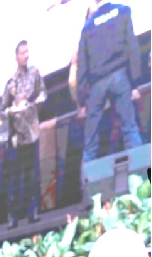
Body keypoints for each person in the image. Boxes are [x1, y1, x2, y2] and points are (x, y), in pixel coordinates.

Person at [74, 0, 144, 162]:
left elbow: (82, 65)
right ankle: (141, 177)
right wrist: (135, 84)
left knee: (90, 143)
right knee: (130, 130)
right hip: (120, 77)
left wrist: (82, 100)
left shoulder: (88, 26)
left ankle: (88, 184)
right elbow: (132, 48)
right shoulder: (123, 11)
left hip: (97, 84)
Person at [0, 40, 46, 228]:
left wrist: (41, 99)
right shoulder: (11, 82)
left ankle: (32, 211)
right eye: (23, 53)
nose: (26, 55)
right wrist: (9, 111)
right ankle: (13, 217)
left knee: (33, 174)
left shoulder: (35, 73)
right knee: (15, 177)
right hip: (16, 137)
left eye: (28, 52)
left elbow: (42, 92)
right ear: (17, 56)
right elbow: (2, 109)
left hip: (32, 132)